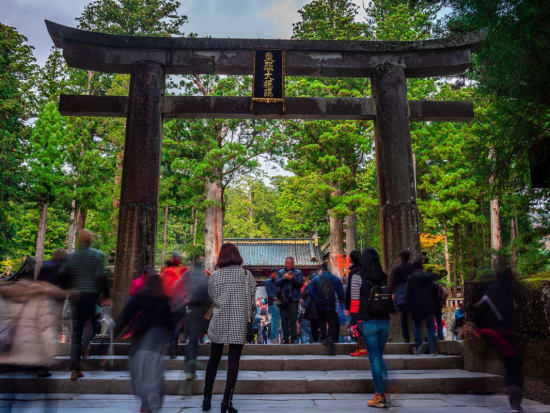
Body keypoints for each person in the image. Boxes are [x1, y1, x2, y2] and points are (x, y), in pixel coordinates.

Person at [464, 259, 523, 413]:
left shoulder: (492, 289)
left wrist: (473, 324)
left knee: (511, 364)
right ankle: (515, 402)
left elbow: (478, 307)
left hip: (495, 333)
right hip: (510, 333)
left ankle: (514, 400)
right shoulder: (513, 288)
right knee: (514, 366)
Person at [203, 243, 256, 413]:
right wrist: (250, 320)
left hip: (218, 321)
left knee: (214, 359)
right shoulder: (247, 275)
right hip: (239, 323)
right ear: (237, 255)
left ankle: (206, 399)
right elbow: (252, 304)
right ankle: (226, 401)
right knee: (234, 362)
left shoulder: (214, 277)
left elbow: (211, 298)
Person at [114, 274, 173, 413]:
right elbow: (170, 322)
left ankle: (145, 403)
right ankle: (155, 396)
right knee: (154, 371)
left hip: (140, 339)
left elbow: (125, 316)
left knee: (138, 370)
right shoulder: (165, 299)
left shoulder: (139, 297)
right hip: (157, 341)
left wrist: (114, 334)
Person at [58, 229, 110, 381]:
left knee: (76, 333)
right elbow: (101, 275)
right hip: (91, 296)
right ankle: (84, 350)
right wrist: (106, 295)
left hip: (76, 297)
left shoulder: (71, 257)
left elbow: (62, 274)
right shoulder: (98, 255)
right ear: (90, 240)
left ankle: (75, 368)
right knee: (92, 324)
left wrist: (67, 287)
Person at [350, 247, 391, 408]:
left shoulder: (357, 277)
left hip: (368, 322)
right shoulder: (384, 277)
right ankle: (384, 390)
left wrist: (354, 323)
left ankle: (379, 394)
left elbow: (354, 302)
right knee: (379, 356)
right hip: (385, 321)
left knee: (374, 357)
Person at [173, 260, 210, 386]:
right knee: (194, 341)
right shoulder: (205, 279)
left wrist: (181, 301)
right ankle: (190, 368)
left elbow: (176, 288)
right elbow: (209, 297)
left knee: (191, 342)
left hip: (189, 310)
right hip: (201, 312)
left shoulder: (187, 276)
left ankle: (189, 369)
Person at [308, 262, 344, 355]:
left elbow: (310, 291)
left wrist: (316, 300)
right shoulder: (334, 278)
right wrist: (341, 302)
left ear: (321, 269)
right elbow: (340, 291)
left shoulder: (316, 279)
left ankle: (323, 337)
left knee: (321, 321)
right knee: (332, 323)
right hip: (331, 305)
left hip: (320, 305)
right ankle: (331, 339)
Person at [407, 258, 439, 355]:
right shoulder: (429, 277)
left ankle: (420, 345)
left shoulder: (411, 278)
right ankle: (432, 348)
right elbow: (434, 290)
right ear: (422, 267)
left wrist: (409, 305)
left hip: (417, 306)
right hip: (429, 305)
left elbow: (409, 293)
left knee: (417, 326)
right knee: (431, 328)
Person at [275, 257, 303, 344]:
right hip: (283, 299)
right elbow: (277, 283)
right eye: (287, 263)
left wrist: (292, 278)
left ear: (293, 263)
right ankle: (285, 338)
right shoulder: (281, 272)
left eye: (291, 263)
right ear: (285, 263)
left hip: (294, 299)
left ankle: (294, 338)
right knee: (284, 319)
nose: (289, 265)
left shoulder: (298, 272)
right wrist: (284, 278)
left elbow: (300, 284)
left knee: (293, 319)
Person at [345, 250, 367, 356]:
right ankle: (361, 347)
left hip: (355, 302)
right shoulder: (366, 270)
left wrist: (346, 306)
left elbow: (349, 290)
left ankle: (361, 348)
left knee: (355, 326)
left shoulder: (353, 272)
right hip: (365, 302)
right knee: (361, 324)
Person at [390, 250, 414, 343]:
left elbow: (392, 282)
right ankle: (415, 335)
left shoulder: (396, 269)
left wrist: (392, 292)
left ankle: (406, 337)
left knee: (403, 317)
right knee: (413, 316)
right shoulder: (412, 267)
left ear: (400, 258)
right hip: (411, 292)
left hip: (400, 292)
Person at [264, 270, 280, 343]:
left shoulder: (278, 281)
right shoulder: (268, 282)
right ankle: (274, 337)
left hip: (274, 303)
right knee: (275, 321)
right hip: (273, 303)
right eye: (275, 273)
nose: (276, 275)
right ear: (272, 274)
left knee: (275, 321)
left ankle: (275, 337)